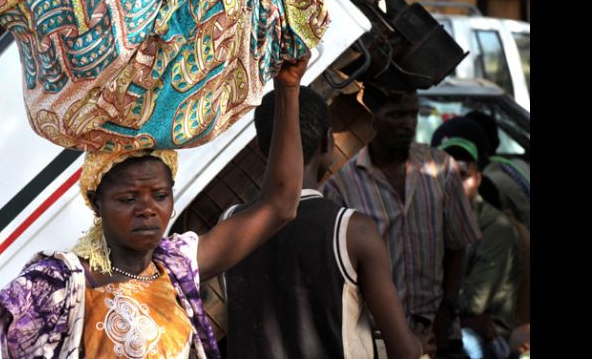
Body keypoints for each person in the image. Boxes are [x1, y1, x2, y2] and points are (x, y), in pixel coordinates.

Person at [0, 54, 311, 358]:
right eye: (128, 199)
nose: (147, 209)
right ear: (96, 203)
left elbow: (279, 206)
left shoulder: (174, 267)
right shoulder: (60, 286)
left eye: (159, 195)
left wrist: (288, 88)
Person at [223, 86, 433, 359]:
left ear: (264, 147)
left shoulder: (230, 223)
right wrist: (418, 344)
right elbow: (403, 351)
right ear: (327, 142)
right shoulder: (352, 230)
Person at [322, 84, 481, 353]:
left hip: (437, 331)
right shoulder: (342, 182)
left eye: (413, 114)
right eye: (396, 115)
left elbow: (458, 246)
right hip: (379, 339)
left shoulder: (440, 168)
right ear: (372, 117)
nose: (408, 124)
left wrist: (447, 309)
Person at [432, 117, 523, 359]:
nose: (453, 184)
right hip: (444, 321)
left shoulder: (496, 228)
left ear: (478, 179)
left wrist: (437, 309)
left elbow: (474, 301)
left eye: (462, 175)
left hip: (488, 334)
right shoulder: (429, 218)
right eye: (445, 175)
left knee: (466, 345)